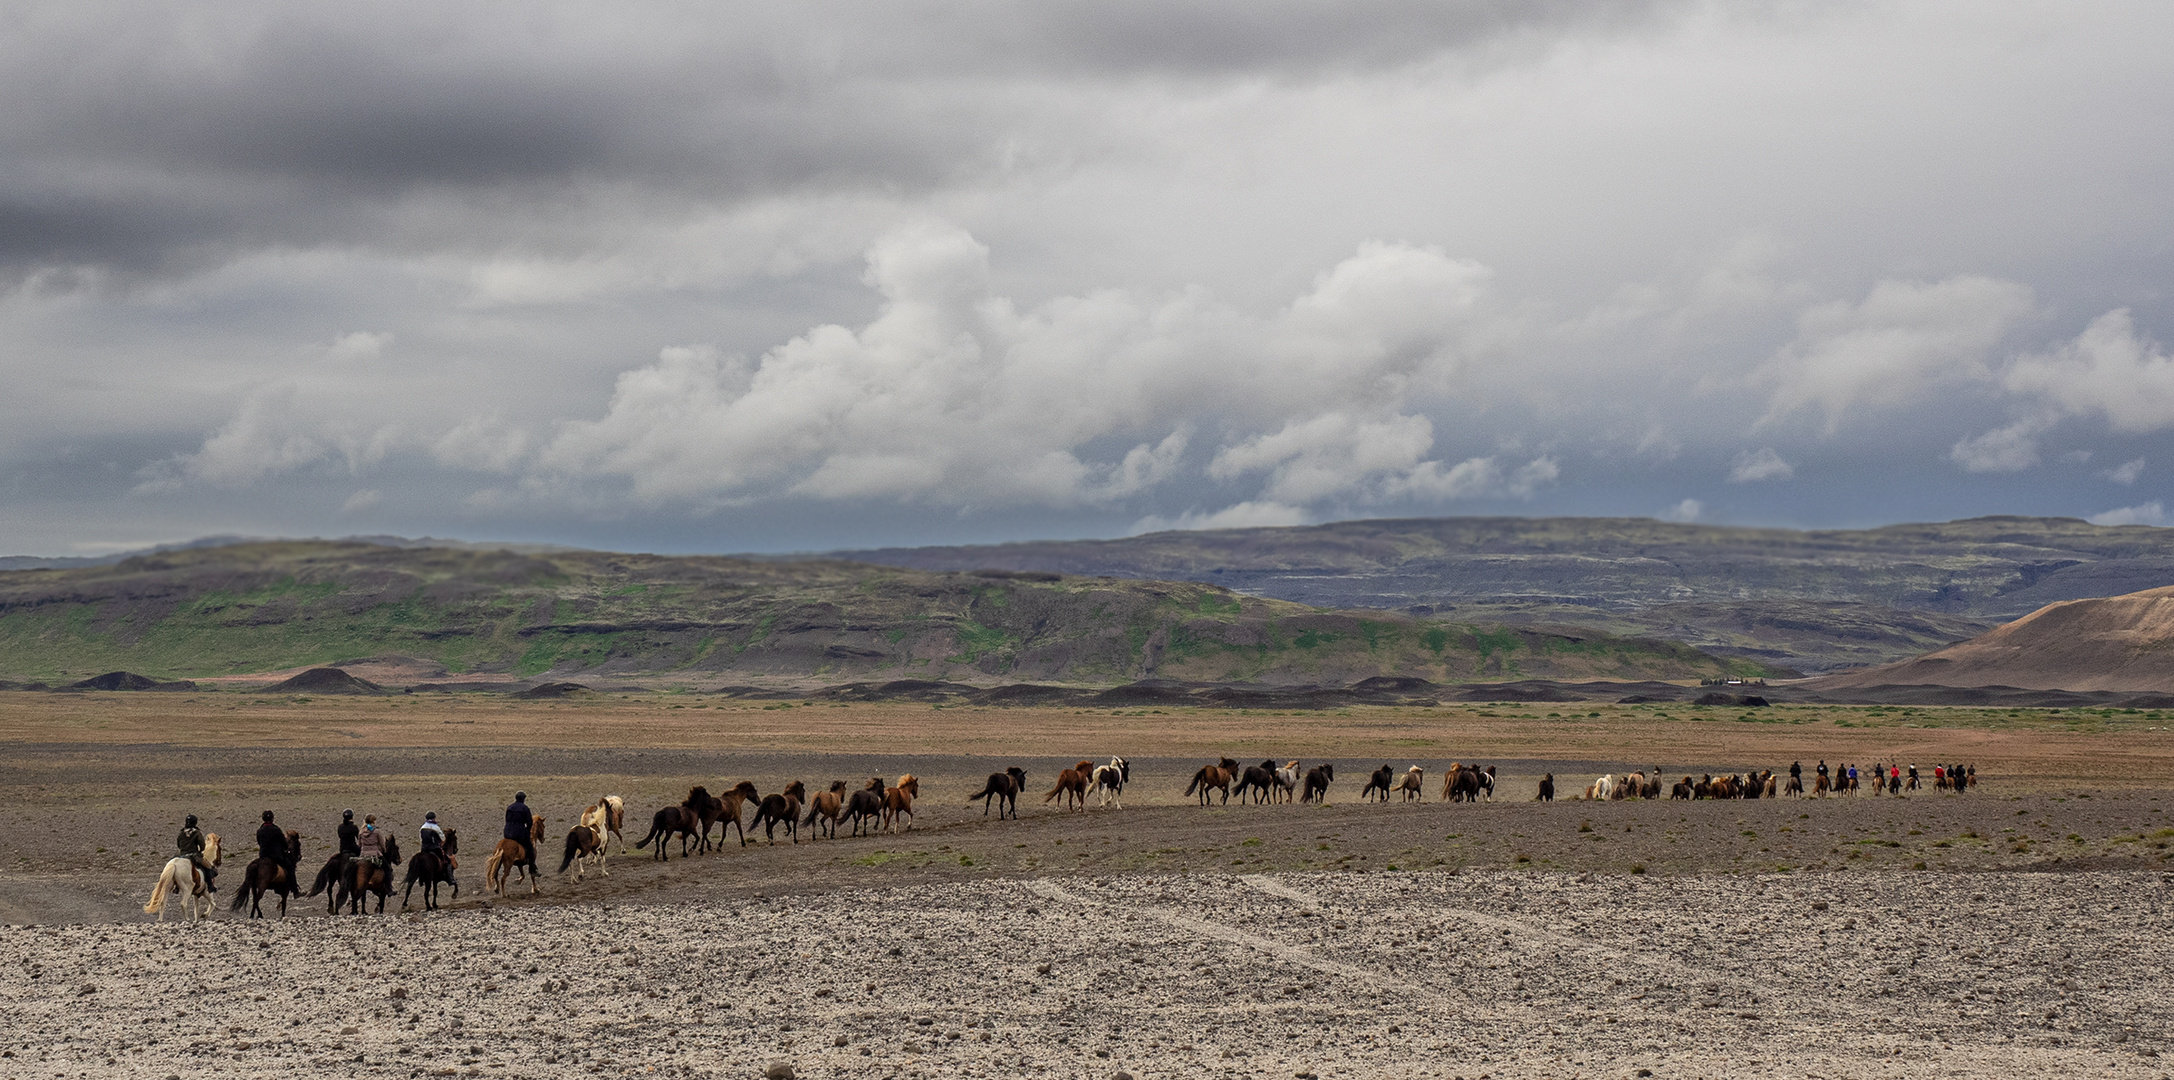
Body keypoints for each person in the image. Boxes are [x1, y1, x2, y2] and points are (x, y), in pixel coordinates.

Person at [176, 814, 217, 891]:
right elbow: (202, 846)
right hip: (193, 855)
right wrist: (199, 851)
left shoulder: (181, 833)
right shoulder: (197, 833)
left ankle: (176, 887)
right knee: (208, 867)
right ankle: (210, 886)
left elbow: (178, 844)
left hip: (181, 855)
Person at [505, 791, 535, 867]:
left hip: (507, 832)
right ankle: (532, 867)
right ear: (523, 799)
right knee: (530, 847)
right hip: (519, 833)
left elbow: (506, 819)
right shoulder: (524, 808)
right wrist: (527, 831)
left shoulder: (509, 807)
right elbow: (529, 822)